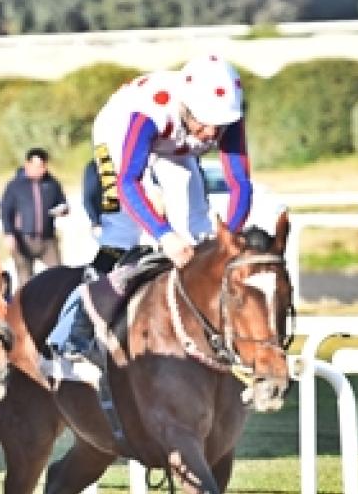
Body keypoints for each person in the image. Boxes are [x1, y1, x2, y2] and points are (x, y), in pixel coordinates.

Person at [60, 54, 253, 360]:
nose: (213, 135)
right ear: (186, 108)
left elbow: (240, 183)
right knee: (121, 231)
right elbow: (127, 182)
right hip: (119, 133)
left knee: (198, 231)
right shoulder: (150, 113)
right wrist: (164, 235)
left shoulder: (226, 116)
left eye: (221, 127)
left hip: (173, 146)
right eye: (206, 124)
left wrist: (230, 236)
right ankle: (73, 328)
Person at [0, 147, 69, 282]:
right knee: (25, 281)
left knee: (59, 277)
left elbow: (62, 203)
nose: (41, 170)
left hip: (47, 239)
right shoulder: (15, 185)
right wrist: (9, 233)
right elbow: (6, 210)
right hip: (23, 239)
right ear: (27, 165)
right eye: (36, 166)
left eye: (43, 166)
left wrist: (63, 210)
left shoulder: (52, 183)